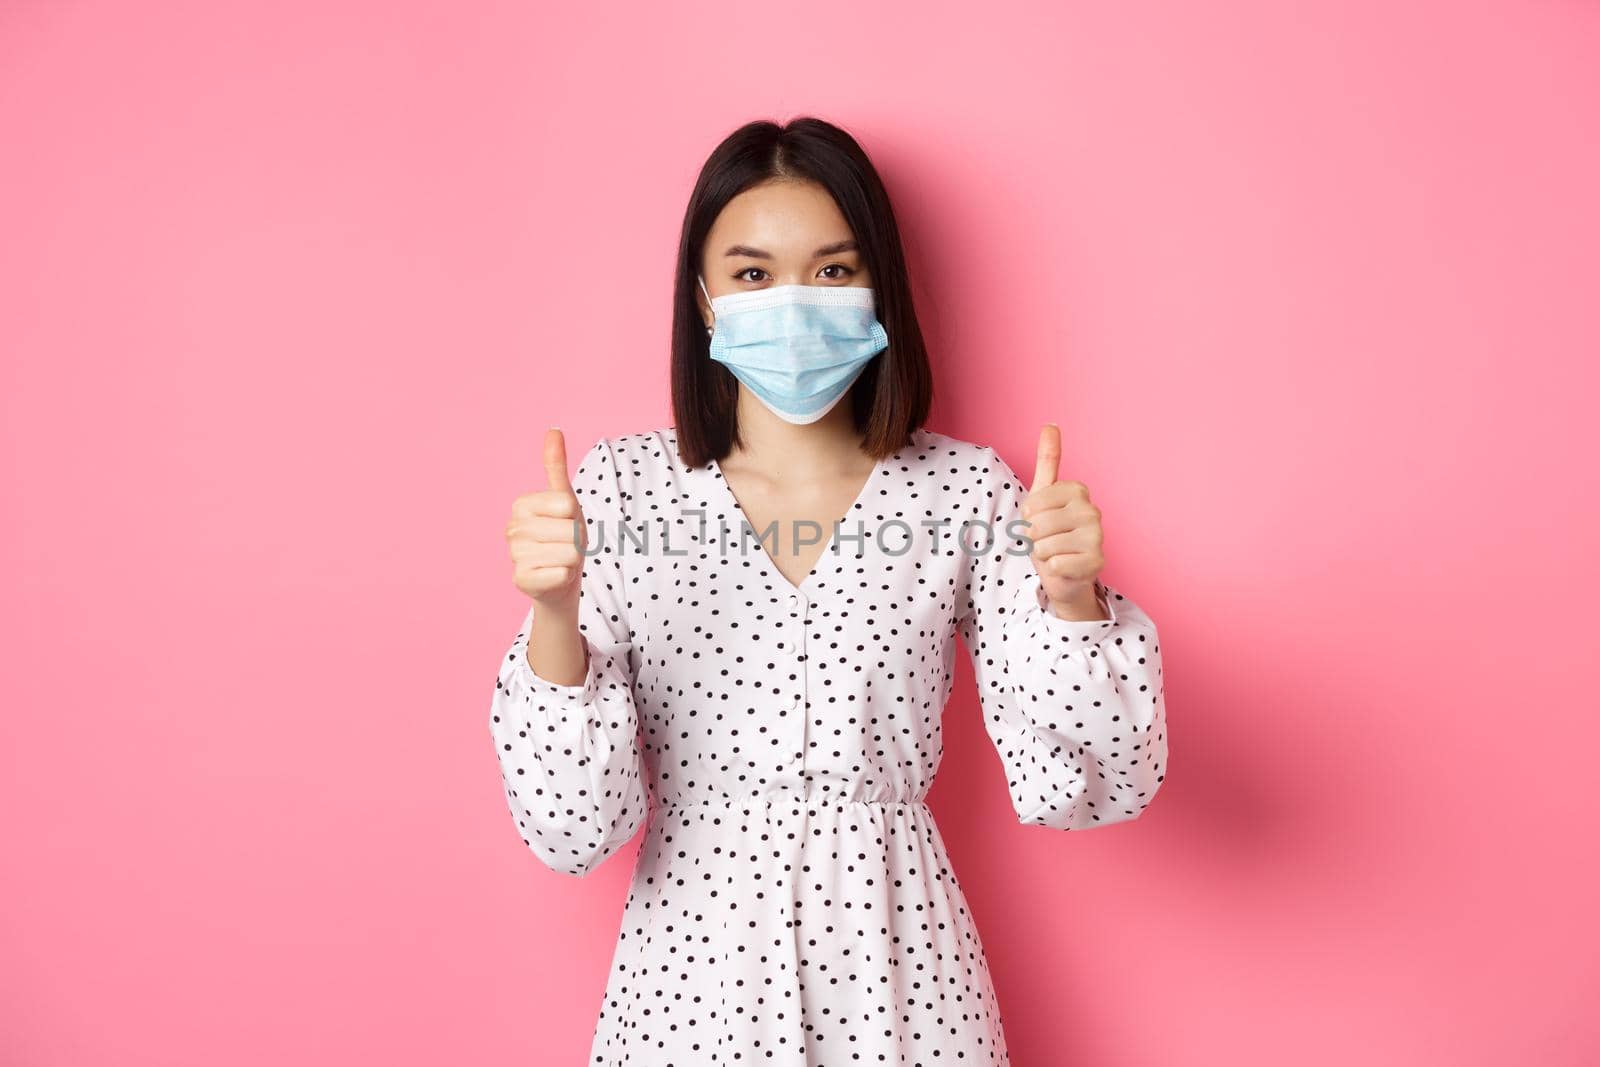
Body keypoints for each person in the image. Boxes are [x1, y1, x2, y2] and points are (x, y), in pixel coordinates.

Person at [490, 116, 1167, 1065]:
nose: (794, 302)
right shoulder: (623, 490)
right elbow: (568, 828)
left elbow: (1095, 786)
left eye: (835, 270)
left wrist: (1073, 599)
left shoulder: (964, 490)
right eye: (754, 273)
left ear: (879, 286)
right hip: (692, 977)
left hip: (901, 969)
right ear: (704, 296)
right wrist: (553, 611)